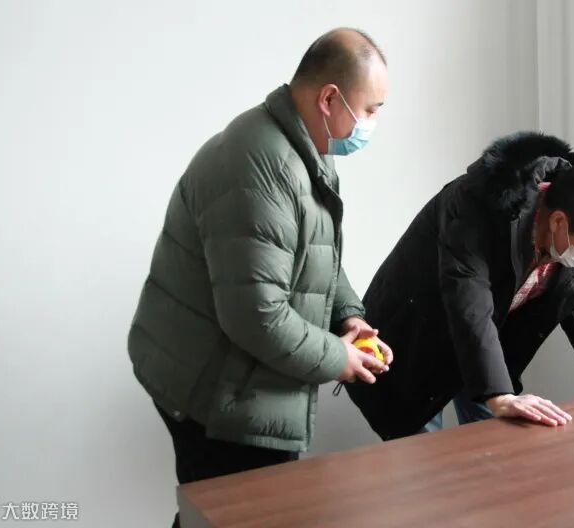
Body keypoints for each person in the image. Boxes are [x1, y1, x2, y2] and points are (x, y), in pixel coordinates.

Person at [127, 28, 392, 527]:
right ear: (329, 99)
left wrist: (348, 316)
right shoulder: (258, 168)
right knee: (231, 515)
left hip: (242, 377)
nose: (372, 124)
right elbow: (256, 317)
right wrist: (337, 357)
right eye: (371, 109)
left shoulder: (305, 147)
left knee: (228, 514)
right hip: (214, 391)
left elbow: (317, 251)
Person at [345, 132, 574, 439]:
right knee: (420, 452)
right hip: (415, 339)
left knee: (495, 445)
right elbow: (468, 298)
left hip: (482, 347)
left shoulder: (571, 227)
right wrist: (499, 395)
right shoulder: (476, 204)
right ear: (558, 221)